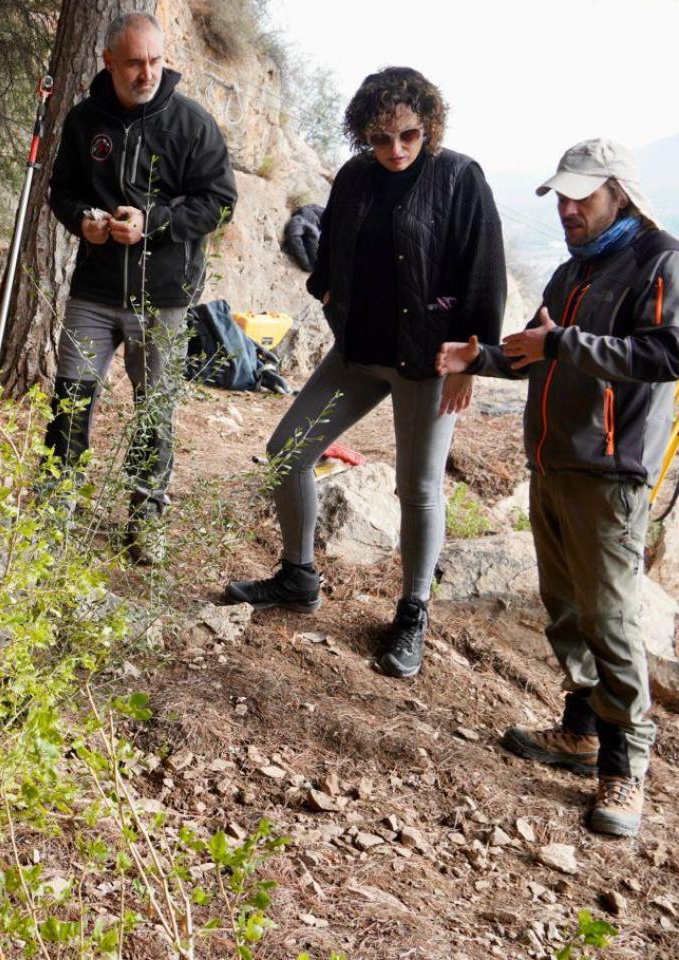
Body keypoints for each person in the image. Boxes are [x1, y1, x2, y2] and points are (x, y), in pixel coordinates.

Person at [437, 138, 679, 838]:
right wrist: (480, 357)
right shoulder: (573, 270)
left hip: (612, 473)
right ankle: (581, 730)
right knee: (564, 609)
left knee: (610, 620)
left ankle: (626, 765)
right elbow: (532, 351)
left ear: (620, 192)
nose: (568, 208)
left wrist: (564, 344)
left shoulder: (660, 259)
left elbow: (668, 354)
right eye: (562, 196)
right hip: (552, 461)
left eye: (582, 195)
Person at [222, 67, 506, 679]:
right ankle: (297, 577)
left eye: (407, 135)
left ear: (427, 125)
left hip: (427, 360)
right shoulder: (354, 177)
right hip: (355, 353)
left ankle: (412, 613)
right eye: (381, 138)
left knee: (419, 488)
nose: (395, 149)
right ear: (363, 136)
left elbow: (483, 273)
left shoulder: (459, 177)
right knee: (286, 453)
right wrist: (326, 289)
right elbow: (331, 252)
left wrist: (472, 361)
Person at [42, 11, 237, 564]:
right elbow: (63, 190)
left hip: (164, 298)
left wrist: (152, 222)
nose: (146, 72)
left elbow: (219, 202)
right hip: (94, 293)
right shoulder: (85, 121)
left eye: (155, 60)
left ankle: (145, 513)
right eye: (134, 62)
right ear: (109, 62)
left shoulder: (192, 123)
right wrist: (83, 219)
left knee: (154, 410)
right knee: (70, 399)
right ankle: (56, 507)